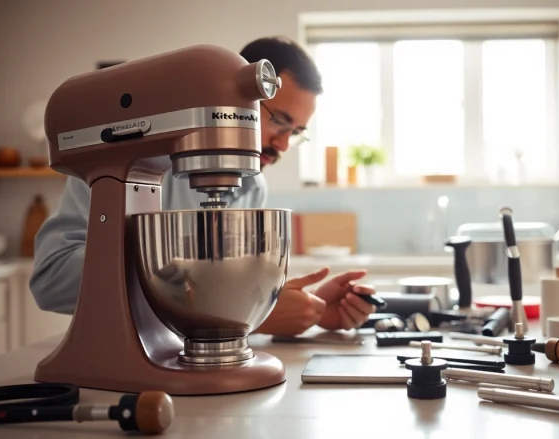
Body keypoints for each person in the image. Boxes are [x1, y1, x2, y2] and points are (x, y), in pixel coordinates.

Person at [29, 36, 377, 336]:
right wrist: (249, 315)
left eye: (296, 133)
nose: (284, 145)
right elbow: (50, 280)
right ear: (240, 100)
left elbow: (229, 290)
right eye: (280, 122)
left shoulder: (252, 186)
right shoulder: (119, 165)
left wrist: (313, 307)